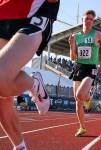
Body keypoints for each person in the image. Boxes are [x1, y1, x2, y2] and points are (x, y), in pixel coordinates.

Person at [0, 0, 60, 149]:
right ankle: (20, 147)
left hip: (34, 14)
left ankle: (33, 83)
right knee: (2, 97)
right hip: (3, 14)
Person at [68, 10, 101, 137]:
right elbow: (72, 57)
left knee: (80, 94)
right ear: (82, 19)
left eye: (91, 19)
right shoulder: (76, 36)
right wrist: (72, 46)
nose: (89, 21)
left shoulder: (97, 34)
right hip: (78, 67)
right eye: (87, 18)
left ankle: (87, 98)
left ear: (93, 22)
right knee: (77, 100)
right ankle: (82, 127)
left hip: (90, 68)